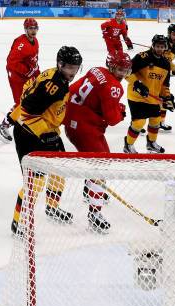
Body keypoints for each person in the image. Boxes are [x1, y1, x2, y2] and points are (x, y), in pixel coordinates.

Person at [8, 46, 83, 234]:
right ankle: (19, 222)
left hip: (47, 130)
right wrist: (43, 132)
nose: (72, 72)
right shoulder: (54, 86)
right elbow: (27, 111)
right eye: (69, 68)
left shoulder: (52, 75)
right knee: (35, 183)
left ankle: (51, 206)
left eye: (75, 68)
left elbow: (27, 90)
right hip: (29, 134)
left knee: (59, 171)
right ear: (60, 65)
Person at [64, 51, 132, 233]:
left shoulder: (97, 70)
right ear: (111, 66)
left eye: (125, 70)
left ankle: (89, 190)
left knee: (100, 161)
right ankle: (94, 214)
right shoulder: (114, 87)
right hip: (85, 128)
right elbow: (112, 119)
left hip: (72, 120)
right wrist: (120, 111)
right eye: (119, 70)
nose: (122, 74)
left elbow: (72, 91)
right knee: (101, 166)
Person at [123, 34, 174, 154]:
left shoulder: (166, 64)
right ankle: (128, 145)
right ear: (153, 45)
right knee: (139, 123)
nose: (159, 49)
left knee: (156, 121)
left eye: (162, 46)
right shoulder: (142, 57)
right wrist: (137, 83)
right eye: (157, 46)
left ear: (165, 47)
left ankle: (151, 143)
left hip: (153, 98)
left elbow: (164, 85)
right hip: (136, 96)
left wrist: (167, 98)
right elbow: (126, 71)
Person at [0, 18, 40, 143]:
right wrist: (27, 71)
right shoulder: (21, 44)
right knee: (21, 103)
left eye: (35, 28)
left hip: (27, 75)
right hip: (16, 76)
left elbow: (34, 62)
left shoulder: (35, 41)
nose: (33, 31)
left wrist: (38, 75)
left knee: (33, 98)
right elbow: (11, 63)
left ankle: (22, 119)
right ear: (26, 29)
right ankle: (3, 126)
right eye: (30, 28)